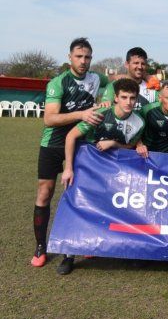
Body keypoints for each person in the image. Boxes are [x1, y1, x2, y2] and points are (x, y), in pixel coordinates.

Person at [31, 37, 110, 269]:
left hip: (81, 145)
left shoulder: (97, 78)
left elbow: (114, 84)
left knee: (78, 195)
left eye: (87, 57)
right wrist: (82, 114)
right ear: (70, 58)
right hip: (53, 145)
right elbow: (49, 119)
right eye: (78, 56)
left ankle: (76, 247)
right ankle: (40, 247)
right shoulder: (58, 82)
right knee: (45, 193)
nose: (83, 61)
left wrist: (106, 101)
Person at [59, 78, 145, 274]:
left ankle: (126, 252)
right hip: (89, 168)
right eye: (124, 97)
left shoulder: (139, 121)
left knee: (122, 209)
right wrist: (68, 168)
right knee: (78, 207)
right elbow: (71, 136)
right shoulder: (100, 113)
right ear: (116, 97)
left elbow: (130, 147)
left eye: (132, 98)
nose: (128, 102)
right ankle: (68, 256)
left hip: (117, 172)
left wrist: (113, 143)